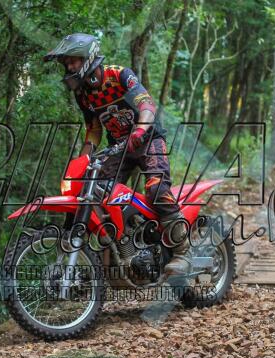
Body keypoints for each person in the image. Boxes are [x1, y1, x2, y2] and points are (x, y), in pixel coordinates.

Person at [43, 33, 189, 276]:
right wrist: (82, 161)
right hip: (119, 147)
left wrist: (140, 129)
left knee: (156, 189)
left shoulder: (119, 75)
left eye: (73, 61)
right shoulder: (82, 94)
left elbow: (147, 104)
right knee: (95, 192)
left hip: (148, 139)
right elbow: (93, 129)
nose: (69, 67)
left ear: (88, 58)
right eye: (66, 63)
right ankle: (124, 249)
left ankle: (183, 251)